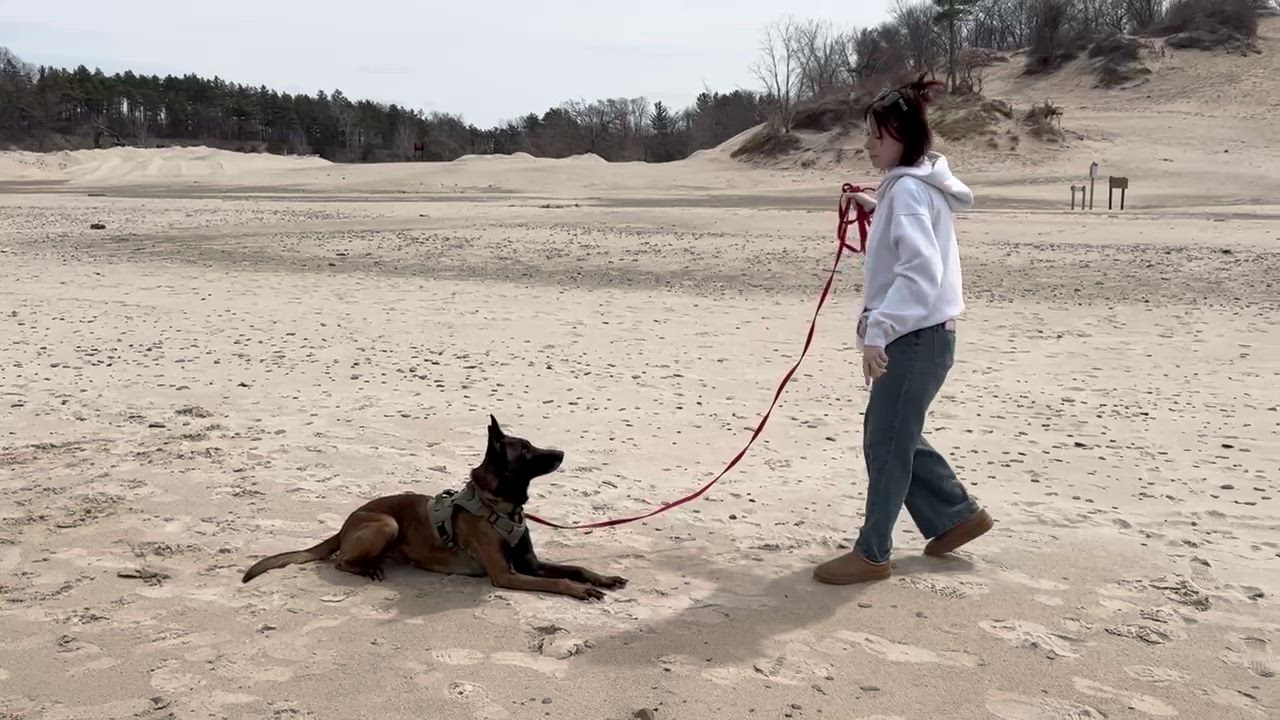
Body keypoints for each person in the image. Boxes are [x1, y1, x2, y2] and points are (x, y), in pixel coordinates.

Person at [814, 75, 993, 585]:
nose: (869, 146)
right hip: (927, 335)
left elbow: (920, 272)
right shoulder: (912, 185)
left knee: (887, 441)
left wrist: (878, 332)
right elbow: (914, 240)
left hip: (916, 336)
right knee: (891, 432)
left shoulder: (910, 191)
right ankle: (957, 516)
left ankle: (873, 553)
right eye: (870, 135)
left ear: (904, 137)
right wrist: (875, 205)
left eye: (877, 137)